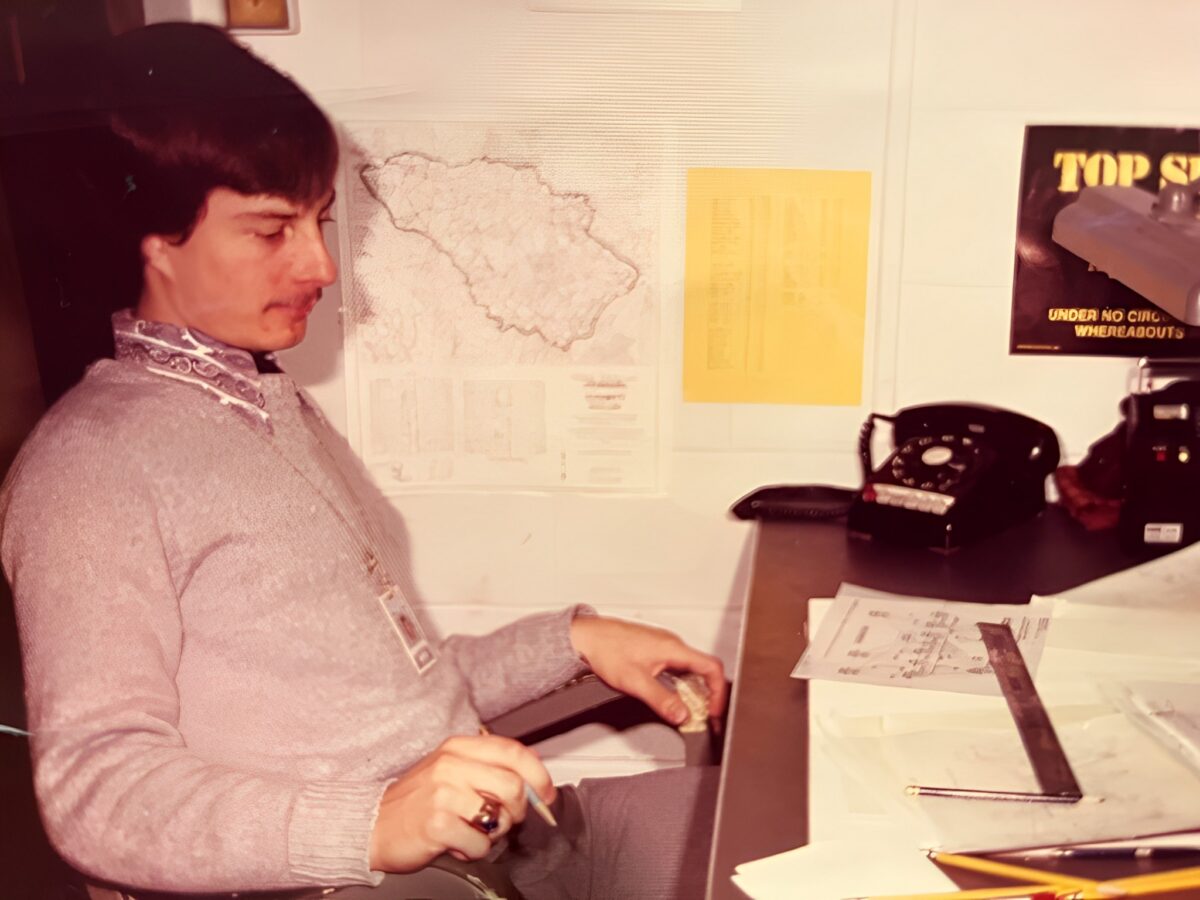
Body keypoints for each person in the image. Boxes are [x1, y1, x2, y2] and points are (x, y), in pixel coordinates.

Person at [0, 23, 725, 900]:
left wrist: (572, 642)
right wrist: (370, 825)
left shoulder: (264, 404)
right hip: (380, 883)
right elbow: (96, 792)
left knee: (774, 826)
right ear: (151, 240)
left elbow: (385, 701)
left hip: (514, 844)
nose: (321, 265)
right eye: (272, 230)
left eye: (320, 222)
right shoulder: (89, 467)